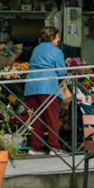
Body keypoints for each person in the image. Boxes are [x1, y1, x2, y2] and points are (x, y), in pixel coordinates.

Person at [23, 25, 67, 154]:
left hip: (31, 86)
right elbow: (61, 72)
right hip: (47, 87)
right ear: (53, 37)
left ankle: (34, 147)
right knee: (52, 118)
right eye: (58, 37)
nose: (58, 40)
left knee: (36, 118)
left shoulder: (36, 49)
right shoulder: (56, 51)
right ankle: (55, 147)